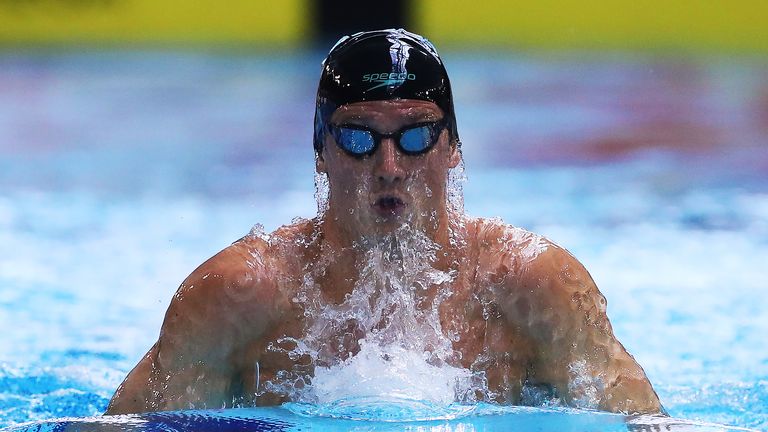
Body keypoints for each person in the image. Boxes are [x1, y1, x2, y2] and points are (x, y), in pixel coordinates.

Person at [106, 29, 663, 415]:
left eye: (416, 135)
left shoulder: (533, 285)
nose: (389, 167)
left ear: (454, 149)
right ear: (320, 151)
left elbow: (647, 423)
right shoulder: (240, 295)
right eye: (358, 138)